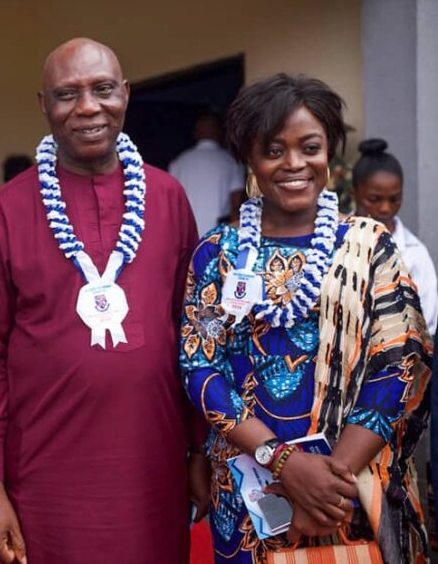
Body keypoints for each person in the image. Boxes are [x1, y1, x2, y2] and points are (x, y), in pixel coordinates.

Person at [0, 37, 210, 564]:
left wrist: (198, 450)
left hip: (153, 466)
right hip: (48, 475)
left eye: (102, 90)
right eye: (67, 94)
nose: (88, 107)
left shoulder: (167, 196)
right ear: (44, 105)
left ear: (125, 93)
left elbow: (192, 332)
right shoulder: (7, 209)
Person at [179, 74, 432, 563]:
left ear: (330, 154)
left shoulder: (370, 245)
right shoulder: (217, 254)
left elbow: (403, 363)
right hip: (252, 496)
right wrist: (286, 465)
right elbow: (199, 367)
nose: (294, 164)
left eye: (309, 147)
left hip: (353, 491)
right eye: (273, 149)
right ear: (249, 158)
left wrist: (329, 482)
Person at [351, 138, 438, 331]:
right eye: (374, 199)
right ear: (354, 193)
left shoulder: (415, 253)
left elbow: (429, 320)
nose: (385, 208)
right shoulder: (334, 241)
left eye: (395, 199)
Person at [168, 110, 244, 236]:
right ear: (220, 132)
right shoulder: (232, 163)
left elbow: (170, 205)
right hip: (218, 237)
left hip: (185, 235)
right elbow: (235, 207)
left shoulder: (178, 163)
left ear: (195, 133)